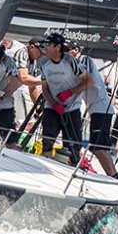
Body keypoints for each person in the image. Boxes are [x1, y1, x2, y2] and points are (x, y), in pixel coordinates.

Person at [68, 42, 118, 177]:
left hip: (101, 108)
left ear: (76, 50)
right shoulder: (74, 64)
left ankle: (114, 178)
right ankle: (114, 176)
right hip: (96, 109)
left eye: (68, 50)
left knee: (98, 147)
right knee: (97, 147)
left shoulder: (85, 60)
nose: (65, 52)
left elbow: (86, 81)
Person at [36, 33, 87, 167]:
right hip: (52, 106)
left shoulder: (70, 61)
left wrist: (69, 93)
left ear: (57, 47)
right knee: (47, 138)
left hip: (71, 107)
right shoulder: (43, 62)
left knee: (72, 146)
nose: (45, 48)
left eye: (48, 45)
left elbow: (87, 81)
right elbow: (44, 87)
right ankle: (44, 161)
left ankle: (73, 165)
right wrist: (53, 103)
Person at [9, 38, 44, 124]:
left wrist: (37, 106)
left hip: (11, 89)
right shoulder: (22, 52)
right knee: (26, 122)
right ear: (32, 47)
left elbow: (32, 87)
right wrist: (45, 82)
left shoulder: (34, 61)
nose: (42, 54)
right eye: (40, 51)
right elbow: (23, 78)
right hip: (3, 89)